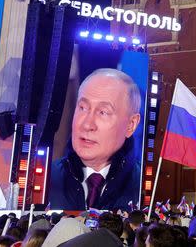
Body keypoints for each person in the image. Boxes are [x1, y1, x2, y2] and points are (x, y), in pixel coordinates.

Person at [49, 69, 142, 210]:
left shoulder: (144, 187)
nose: (87, 124)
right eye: (82, 108)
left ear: (131, 125)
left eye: (103, 112)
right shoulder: (46, 181)